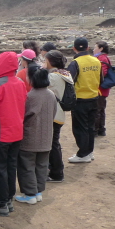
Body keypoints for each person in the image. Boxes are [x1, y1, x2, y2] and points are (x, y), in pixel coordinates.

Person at [0, 51, 27, 217]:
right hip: (16, 131)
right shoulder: (20, 82)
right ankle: (8, 199)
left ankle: (0, 203)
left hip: (0, 133)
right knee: (10, 166)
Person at [15, 67, 56, 205]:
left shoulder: (31, 96)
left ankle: (30, 193)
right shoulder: (50, 94)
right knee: (41, 165)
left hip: (30, 137)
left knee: (27, 165)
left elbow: (24, 116)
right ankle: (38, 191)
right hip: (46, 136)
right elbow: (53, 113)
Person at [67, 37, 102, 163]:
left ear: (74, 48)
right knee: (90, 127)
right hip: (94, 97)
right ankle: (89, 151)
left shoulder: (75, 63)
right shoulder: (96, 61)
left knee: (79, 127)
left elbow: (70, 81)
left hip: (80, 99)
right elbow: (101, 79)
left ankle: (83, 154)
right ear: (88, 48)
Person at [44, 50, 73, 183]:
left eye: (45, 60)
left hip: (53, 113)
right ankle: (55, 170)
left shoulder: (54, 77)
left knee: (52, 143)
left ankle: (56, 172)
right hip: (59, 113)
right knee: (54, 142)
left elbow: (40, 84)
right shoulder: (65, 73)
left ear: (51, 62)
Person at [93, 41, 111, 137]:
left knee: (97, 109)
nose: (93, 49)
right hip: (103, 88)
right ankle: (101, 130)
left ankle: (95, 131)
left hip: (100, 89)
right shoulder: (103, 57)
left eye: (95, 47)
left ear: (101, 49)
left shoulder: (101, 58)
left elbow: (102, 73)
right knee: (101, 109)